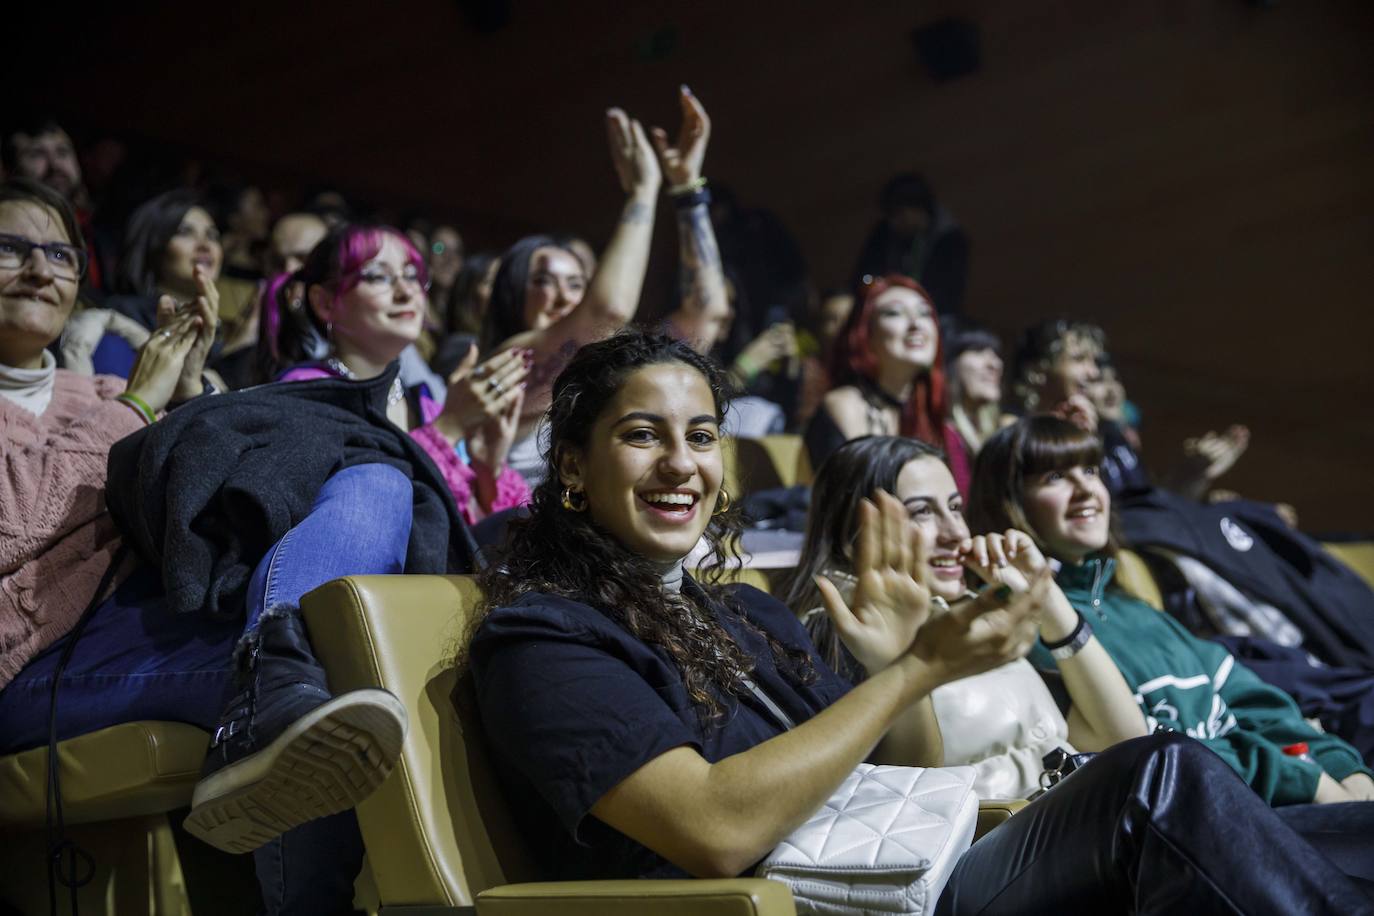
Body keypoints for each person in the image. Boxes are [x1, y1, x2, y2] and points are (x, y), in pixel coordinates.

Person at [465, 329, 1374, 912]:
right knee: (1162, 775)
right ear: (574, 467)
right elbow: (713, 830)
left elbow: (911, 783)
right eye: (642, 435)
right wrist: (917, 669)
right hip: (815, 906)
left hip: (905, 870)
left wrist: (896, 662)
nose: (682, 463)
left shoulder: (739, 612)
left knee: (1341, 830)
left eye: (702, 436)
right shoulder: (545, 635)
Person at [967, 415, 1374, 806]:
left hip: (1281, 800)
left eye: (1091, 471)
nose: (1085, 489)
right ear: (1010, 503)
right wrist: (1302, 780)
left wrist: (1346, 770)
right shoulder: (1033, 626)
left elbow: (1260, 705)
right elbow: (1148, 753)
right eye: (1056, 477)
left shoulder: (1135, 608)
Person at [783, 436, 1147, 799]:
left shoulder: (971, 611)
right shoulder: (841, 637)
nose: (956, 532)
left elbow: (1124, 738)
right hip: (1006, 838)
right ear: (855, 534)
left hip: (1079, 814)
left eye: (955, 508)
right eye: (922, 512)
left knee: (1165, 762)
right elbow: (902, 799)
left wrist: (1043, 594)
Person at [482, 87, 730, 482]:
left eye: (578, 283)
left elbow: (707, 311)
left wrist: (686, 192)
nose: (565, 294)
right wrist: (643, 191)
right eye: (543, 280)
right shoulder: (510, 361)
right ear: (512, 293)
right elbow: (606, 312)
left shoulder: (613, 365)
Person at [266, 222, 529, 523]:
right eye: (378, 276)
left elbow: (461, 535)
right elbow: (364, 515)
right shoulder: (306, 392)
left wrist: (487, 468)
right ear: (325, 302)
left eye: (412, 276)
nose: (406, 292)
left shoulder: (425, 402)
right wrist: (449, 427)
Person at [805, 274, 968, 491]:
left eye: (924, 313)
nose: (916, 324)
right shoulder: (845, 405)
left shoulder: (937, 419)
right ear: (864, 334)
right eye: (894, 313)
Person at [850, 172, 969, 316]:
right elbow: (864, 275)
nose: (894, 223)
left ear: (918, 209)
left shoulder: (950, 241)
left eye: (899, 214)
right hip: (885, 309)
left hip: (933, 314)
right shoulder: (883, 233)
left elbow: (948, 294)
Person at [942, 316, 1005, 462]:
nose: (995, 364)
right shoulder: (942, 438)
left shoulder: (1000, 431)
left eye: (995, 354)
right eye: (977, 351)